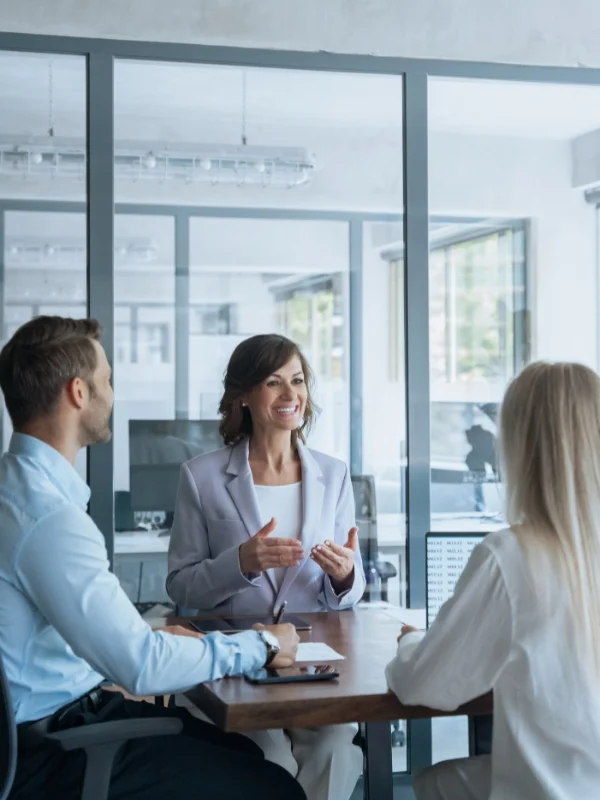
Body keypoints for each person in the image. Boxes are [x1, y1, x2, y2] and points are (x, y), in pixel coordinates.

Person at [0, 316, 305, 800]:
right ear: (78, 393)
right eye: (107, 381)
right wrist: (262, 645)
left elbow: (83, 631)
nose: (111, 394)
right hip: (53, 747)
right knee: (273, 787)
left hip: (50, 721)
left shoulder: (15, 491)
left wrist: (152, 633)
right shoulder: (48, 519)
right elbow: (139, 667)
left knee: (246, 756)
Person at [386, 361, 600, 800]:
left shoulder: (511, 555)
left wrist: (413, 643)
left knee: (434, 783)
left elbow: (426, 685)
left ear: (521, 447)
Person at [167, 333, 365, 800]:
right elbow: (180, 588)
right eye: (274, 382)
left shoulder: (333, 475)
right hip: (233, 663)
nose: (290, 394)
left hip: (313, 664)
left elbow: (353, 593)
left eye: (297, 381)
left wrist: (345, 576)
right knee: (269, 757)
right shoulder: (201, 476)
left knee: (336, 745)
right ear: (244, 396)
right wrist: (240, 562)